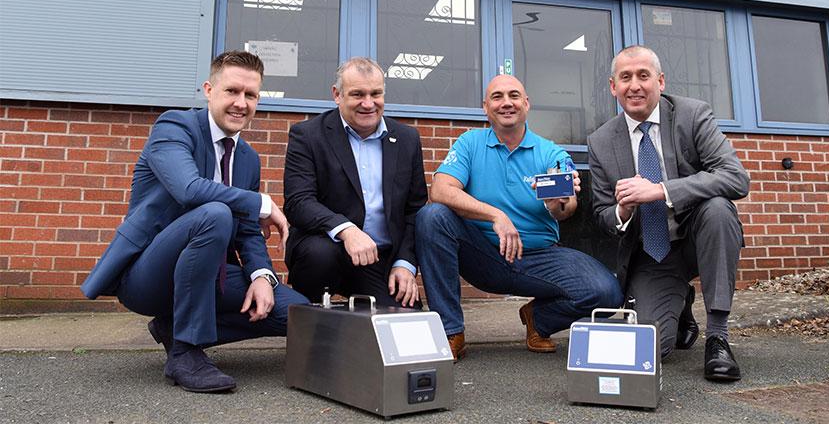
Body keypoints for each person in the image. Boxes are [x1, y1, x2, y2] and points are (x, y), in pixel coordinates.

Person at [81, 51, 309, 393]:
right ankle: (186, 354)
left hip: (211, 275)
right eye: (232, 91)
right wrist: (261, 202)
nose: (241, 103)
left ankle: (174, 328)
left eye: (250, 95)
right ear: (209, 90)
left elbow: (248, 231)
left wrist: (262, 276)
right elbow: (189, 190)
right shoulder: (174, 128)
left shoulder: (247, 157)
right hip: (148, 275)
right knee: (214, 214)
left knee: (296, 311)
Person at [415, 75, 623, 359]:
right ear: (485, 107)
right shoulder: (469, 143)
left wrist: (557, 203)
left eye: (514, 96)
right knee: (432, 217)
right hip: (483, 254)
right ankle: (450, 331)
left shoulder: (551, 152)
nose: (506, 103)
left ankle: (539, 320)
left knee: (608, 293)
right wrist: (495, 215)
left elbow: (567, 209)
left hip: (539, 258)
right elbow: (440, 190)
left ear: (526, 104)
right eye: (497, 97)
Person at [587, 45, 750, 381]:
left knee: (719, 208)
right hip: (652, 253)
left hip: (697, 235)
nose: (635, 85)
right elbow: (603, 216)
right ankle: (682, 302)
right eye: (626, 77)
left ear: (660, 81)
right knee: (652, 349)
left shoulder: (692, 115)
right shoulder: (601, 141)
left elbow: (736, 178)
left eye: (643, 76)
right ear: (612, 86)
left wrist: (661, 190)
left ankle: (718, 337)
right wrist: (623, 208)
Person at [283, 58, 427, 308]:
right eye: (357, 94)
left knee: (404, 320)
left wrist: (405, 262)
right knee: (320, 256)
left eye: (376, 94)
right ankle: (313, 320)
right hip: (326, 249)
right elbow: (299, 202)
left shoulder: (407, 139)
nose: (368, 103)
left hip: (378, 259)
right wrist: (346, 230)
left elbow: (415, 210)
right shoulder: (307, 135)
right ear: (337, 94)